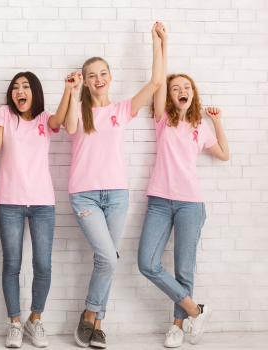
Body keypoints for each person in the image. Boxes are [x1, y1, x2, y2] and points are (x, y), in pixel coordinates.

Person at [66, 23, 166, 349]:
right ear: (85, 79)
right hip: (84, 194)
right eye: (92, 75)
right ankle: (89, 314)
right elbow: (67, 127)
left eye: (103, 73)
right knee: (108, 257)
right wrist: (69, 90)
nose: (99, 79)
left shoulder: (121, 110)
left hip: (118, 195)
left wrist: (158, 42)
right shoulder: (78, 111)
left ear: (110, 76)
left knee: (105, 259)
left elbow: (154, 83)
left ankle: (95, 322)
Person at [0, 71, 77, 348]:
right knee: (12, 264)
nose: (19, 91)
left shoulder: (44, 118)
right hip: (10, 202)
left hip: (42, 203)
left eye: (25, 87)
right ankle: (15, 323)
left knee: (42, 264)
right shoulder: (4, 114)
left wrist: (68, 89)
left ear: (35, 92)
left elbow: (60, 120)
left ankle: (35, 319)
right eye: (15, 87)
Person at [137, 23, 230, 348]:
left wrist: (217, 122)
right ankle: (195, 309)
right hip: (160, 201)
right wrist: (160, 43)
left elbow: (223, 155)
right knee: (147, 262)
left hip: (191, 203)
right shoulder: (163, 119)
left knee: (183, 268)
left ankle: (177, 326)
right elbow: (158, 80)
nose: (179, 90)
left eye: (185, 86)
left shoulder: (200, 126)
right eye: (175, 87)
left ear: (192, 94)